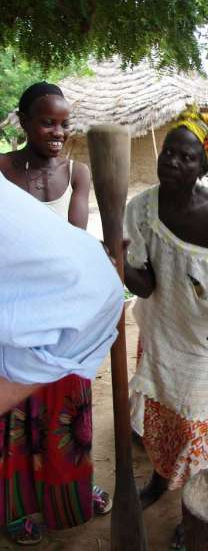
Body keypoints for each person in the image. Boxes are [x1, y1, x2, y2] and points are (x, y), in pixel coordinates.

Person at [124, 106, 208, 549]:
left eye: (185, 157)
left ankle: (196, 512)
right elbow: (145, 285)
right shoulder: (141, 208)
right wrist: (118, 261)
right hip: (162, 332)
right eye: (168, 153)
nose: (171, 162)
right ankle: (158, 483)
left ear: (204, 166)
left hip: (206, 345)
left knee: (198, 431)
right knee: (163, 418)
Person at [0, 82, 114, 544]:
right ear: (23, 121)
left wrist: (104, 257)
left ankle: (68, 497)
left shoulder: (78, 173)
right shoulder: (3, 169)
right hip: (16, 311)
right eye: (48, 122)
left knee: (65, 414)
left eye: (65, 123)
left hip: (63, 313)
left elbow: (75, 237)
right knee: (16, 418)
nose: (58, 132)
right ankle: (16, 508)